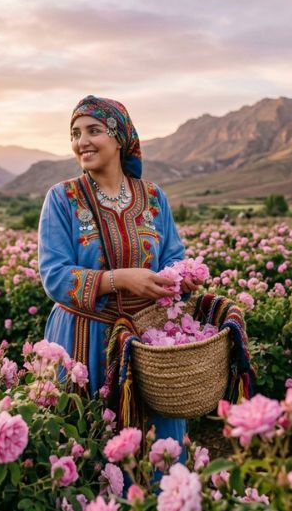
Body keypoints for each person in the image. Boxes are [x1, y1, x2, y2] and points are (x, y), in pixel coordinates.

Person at [38, 95, 204, 452]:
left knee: (154, 443)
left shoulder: (154, 197)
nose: (81, 141)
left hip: (148, 339)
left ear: (119, 137)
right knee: (88, 443)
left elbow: (173, 257)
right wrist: (120, 279)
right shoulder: (63, 198)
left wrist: (181, 280)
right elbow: (54, 275)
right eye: (75, 133)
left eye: (93, 130)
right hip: (85, 339)